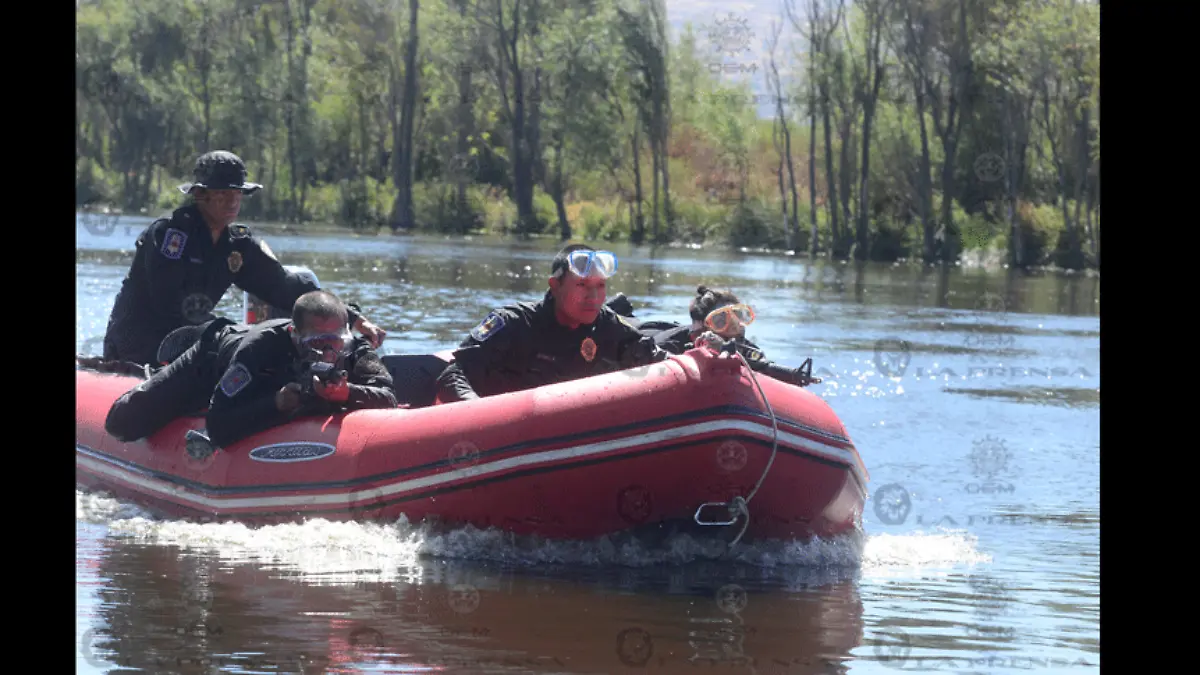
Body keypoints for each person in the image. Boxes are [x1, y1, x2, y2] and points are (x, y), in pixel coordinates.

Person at [99, 150, 387, 367]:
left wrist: (354, 319)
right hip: (139, 345)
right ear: (201, 196)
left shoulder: (236, 245)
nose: (233, 201)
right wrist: (228, 332)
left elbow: (285, 287)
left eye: (237, 192)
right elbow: (169, 305)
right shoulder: (171, 236)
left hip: (192, 345)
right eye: (223, 193)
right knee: (241, 343)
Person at [104, 291, 399, 451]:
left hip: (262, 387)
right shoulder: (259, 349)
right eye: (317, 342)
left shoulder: (355, 350)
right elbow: (218, 427)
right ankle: (143, 375)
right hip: (211, 362)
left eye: (335, 342)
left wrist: (347, 392)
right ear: (294, 333)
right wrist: (277, 404)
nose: (327, 352)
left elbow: (388, 396)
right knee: (124, 422)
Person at [435, 244, 669, 402]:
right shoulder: (512, 324)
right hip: (505, 433)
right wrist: (479, 412)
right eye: (582, 285)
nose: (594, 296)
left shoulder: (604, 323)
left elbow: (649, 353)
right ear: (555, 286)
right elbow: (451, 375)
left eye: (600, 286)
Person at [608, 285, 821, 388]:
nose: (734, 327)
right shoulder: (671, 343)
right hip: (647, 331)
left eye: (739, 316)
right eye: (721, 320)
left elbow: (762, 368)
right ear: (700, 326)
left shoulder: (747, 349)